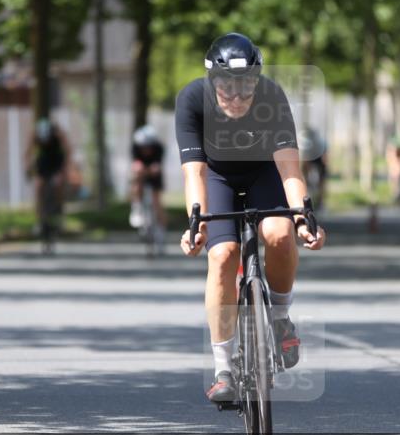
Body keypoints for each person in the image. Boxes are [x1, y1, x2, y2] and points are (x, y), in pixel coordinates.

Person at [176, 32, 326, 403]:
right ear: (213, 81)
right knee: (222, 254)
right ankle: (223, 369)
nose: (239, 97)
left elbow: (291, 170)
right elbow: (194, 173)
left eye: (247, 87)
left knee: (279, 233)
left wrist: (305, 218)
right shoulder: (192, 100)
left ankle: (279, 319)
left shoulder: (272, 97)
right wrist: (197, 225)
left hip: (265, 173)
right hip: (217, 175)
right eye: (228, 88)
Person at [28, 118, 69, 243]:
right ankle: (39, 220)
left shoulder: (58, 136)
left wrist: (64, 171)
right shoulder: (35, 136)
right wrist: (28, 168)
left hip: (56, 164)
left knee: (58, 184)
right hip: (43, 165)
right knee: (38, 187)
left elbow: (67, 151)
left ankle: (60, 215)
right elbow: (27, 153)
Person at [129, 124, 166, 230]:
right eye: (143, 147)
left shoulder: (159, 147)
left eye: (148, 146)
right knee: (137, 175)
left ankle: (161, 229)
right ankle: (137, 207)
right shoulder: (135, 147)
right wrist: (139, 169)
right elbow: (135, 163)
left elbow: (158, 165)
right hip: (141, 170)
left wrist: (155, 168)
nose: (146, 149)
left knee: (157, 201)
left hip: (154, 170)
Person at [299, 125, 328, 210]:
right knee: (303, 171)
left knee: (322, 178)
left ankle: (321, 201)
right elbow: (304, 159)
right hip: (310, 155)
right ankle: (305, 190)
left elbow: (325, 158)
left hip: (319, 156)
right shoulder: (304, 141)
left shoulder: (321, 143)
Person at [385, 136, 400, 203]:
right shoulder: (392, 153)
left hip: (398, 171)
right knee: (395, 183)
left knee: (399, 183)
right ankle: (396, 195)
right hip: (395, 171)